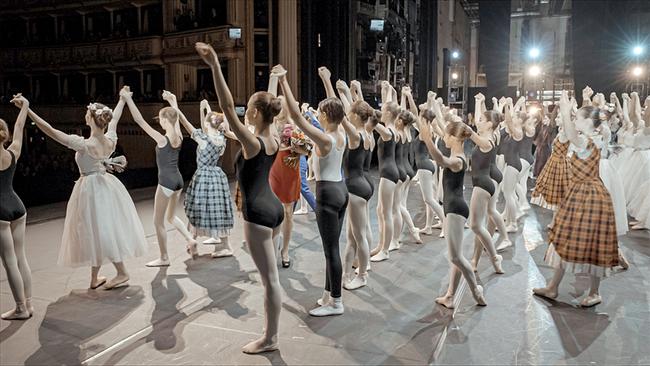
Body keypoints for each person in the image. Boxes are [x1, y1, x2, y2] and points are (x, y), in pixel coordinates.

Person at [197, 41, 284, 353]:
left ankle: (270, 338)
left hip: (258, 214)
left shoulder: (254, 142)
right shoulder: (271, 137)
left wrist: (215, 66)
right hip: (273, 209)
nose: (243, 110)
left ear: (256, 112)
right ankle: (271, 332)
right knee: (270, 274)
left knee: (270, 281)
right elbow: (242, 126)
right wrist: (274, 80)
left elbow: (226, 103)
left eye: (248, 107)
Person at [27, 88, 147, 290]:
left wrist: (28, 110)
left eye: (87, 112)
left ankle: (122, 271)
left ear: (91, 118)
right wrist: (122, 99)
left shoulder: (83, 144)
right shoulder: (110, 139)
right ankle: (94, 277)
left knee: (99, 230)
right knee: (97, 229)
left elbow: (49, 130)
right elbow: (115, 118)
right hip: (105, 185)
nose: (85, 114)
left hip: (91, 189)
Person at [533, 90, 619, 307]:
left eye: (578, 118)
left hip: (590, 197)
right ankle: (553, 287)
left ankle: (595, 292)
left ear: (589, 121)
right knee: (564, 238)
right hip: (576, 194)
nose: (574, 121)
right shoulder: (583, 139)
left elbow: (572, 136)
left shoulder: (592, 141)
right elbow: (561, 143)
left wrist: (564, 109)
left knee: (592, 243)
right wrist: (567, 114)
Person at [278, 65, 349, 316]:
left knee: (331, 251)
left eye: (320, 112)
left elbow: (297, 118)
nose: (317, 114)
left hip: (328, 194)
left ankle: (337, 302)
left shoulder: (325, 138)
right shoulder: (341, 132)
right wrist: (327, 81)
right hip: (341, 190)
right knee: (333, 248)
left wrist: (284, 81)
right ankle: (328, 295)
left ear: (326, 116)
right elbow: (336, 106)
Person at [122, 87, 198, 266]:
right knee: (171, 217)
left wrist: (128, 99)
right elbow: (176, 117)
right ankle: (190, 238)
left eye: (161, 119)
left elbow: (139, 121)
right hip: (178, 181)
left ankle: (164, 258)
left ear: (164, 120)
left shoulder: (162, 139)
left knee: (158, 222)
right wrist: (173, 102)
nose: (160, 122)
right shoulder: (179, 136)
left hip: (165, 182)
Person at [419, 112, 486, 309]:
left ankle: (476, 291)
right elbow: (442, 141)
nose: (444, 138)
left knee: (456, 257)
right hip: (452, 208)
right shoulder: (456, 153)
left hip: (456, 209)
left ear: (455, 138)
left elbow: (440, 160)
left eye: (447, 136)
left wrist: (428, 139)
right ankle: (450, 296)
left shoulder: (458, 160)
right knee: (454, 257)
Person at [164, 93, 236, 258]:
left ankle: (194, 240)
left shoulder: (203, 138)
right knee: (218, 209)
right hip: (217, 176)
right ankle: (216, 243)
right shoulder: (221, 139)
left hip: (203, 176)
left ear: (207, 122)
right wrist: (205, 108)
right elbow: (211, 124)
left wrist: (174, 102)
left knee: (198, 208)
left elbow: (184, 121)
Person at [1, 94, 32, 320]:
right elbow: (20, 125)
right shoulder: (13, 151)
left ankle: (20, 308)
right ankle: (28, 304)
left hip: (0, 212)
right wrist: (25, 106)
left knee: (9, 261)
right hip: (17, 206)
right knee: (21, 258)